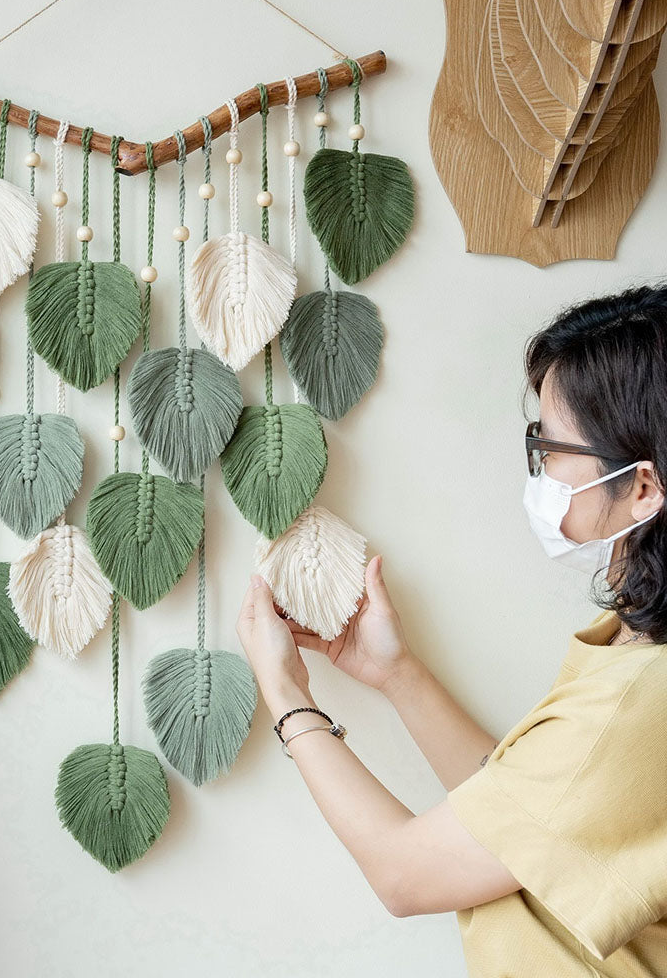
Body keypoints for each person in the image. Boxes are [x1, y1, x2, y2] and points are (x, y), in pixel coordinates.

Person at [236, 283, 667, 977]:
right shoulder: (630, 647)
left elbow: (404, 876)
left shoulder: (641, 701)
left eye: (552, 447)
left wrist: (286, 694)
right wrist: (395, 673)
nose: (541, 469)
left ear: (641, 487)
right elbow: (521, 817)